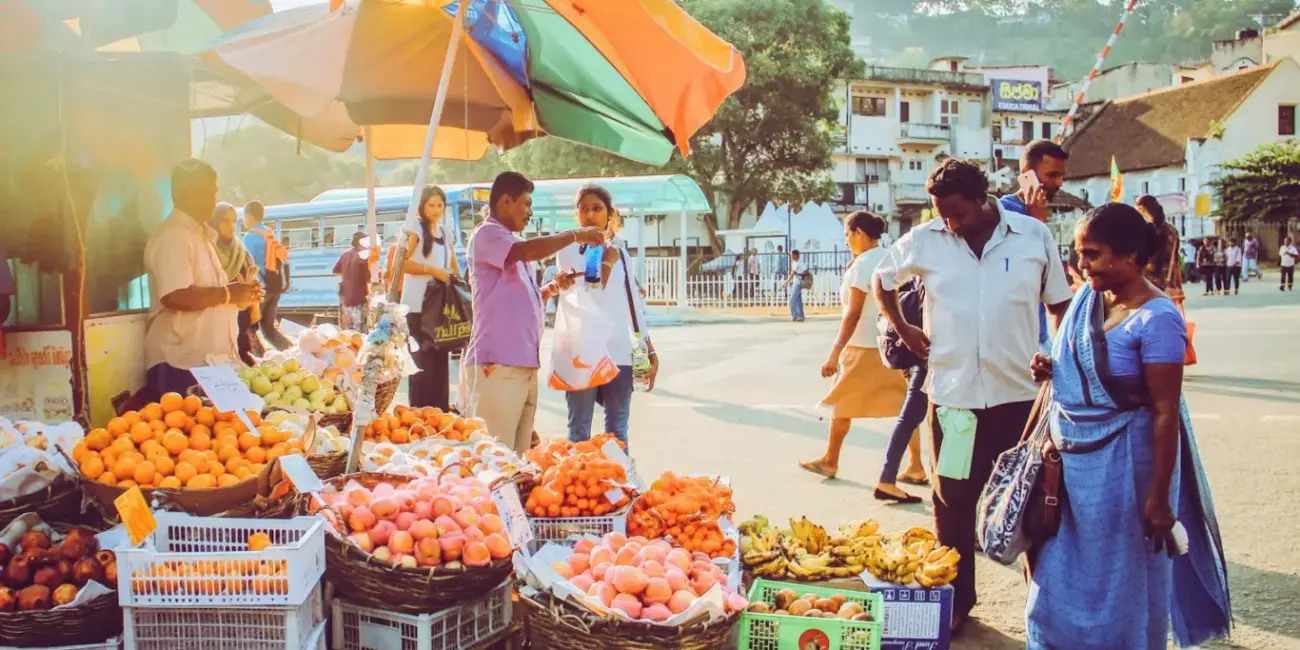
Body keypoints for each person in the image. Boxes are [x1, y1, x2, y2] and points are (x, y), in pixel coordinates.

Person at [873, 159, 1072, 633]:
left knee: (1029, 502)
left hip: (1021, 401)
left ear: (984, 198)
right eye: (941, 213)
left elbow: (1061, 304)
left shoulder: (1032, 237)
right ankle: (959, 601)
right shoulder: (926, 239)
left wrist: (1059, 358)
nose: (950, 223)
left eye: (958, 213)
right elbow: (881, 279)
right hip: (955, 401)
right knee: (953, 501)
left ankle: (1044, 607)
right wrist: (904, 327)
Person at [1025, 203, 1231, 650]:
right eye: (1080, 253)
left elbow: (1164, 412)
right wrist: (1055, 368)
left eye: (1093, 254)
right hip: (1073, 471)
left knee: (1123, 582)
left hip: (1129, 473)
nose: (1082, 265)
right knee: (1054, 579)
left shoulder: (1157, 319)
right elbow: (1080, 366)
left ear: (1132, 255)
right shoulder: (1088, 300)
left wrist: (1160, 499)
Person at [463, 172, 605, 453]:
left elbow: (518, 298)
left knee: (516, 458)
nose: (530, 213)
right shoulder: (488, 234)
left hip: (521, 363)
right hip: (498, 363)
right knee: (495, 457)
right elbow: (528, 251)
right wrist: (576, 235)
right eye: (526, 204)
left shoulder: (509, 242)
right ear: (506, 201)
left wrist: (552, 288)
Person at [799, 213, 910, 490]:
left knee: (841, 403)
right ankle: (917, 466)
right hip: (891, 344)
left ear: (859, 233)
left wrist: (835, 352)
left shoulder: (862, 266)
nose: (847, 241)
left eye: (848, 235)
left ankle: (830, 458)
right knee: (907, 405)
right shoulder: (891, 257)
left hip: (862, 344)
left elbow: (853, 313)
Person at [143, 160, 262, 399]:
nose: (212, 200)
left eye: (214, 192)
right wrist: (229, 293)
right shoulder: (174, 235)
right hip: (180, 364)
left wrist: (242, 297)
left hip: (209, 363)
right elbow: (175, 295)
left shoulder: (200, 235)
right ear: (180, 194)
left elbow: (208, 297)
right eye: (204, 192)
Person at [556, 185, 659, 446]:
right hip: (581, 350)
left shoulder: (620, 252)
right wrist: (606, 262)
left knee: (617, 432)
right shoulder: (567, 250)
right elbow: (591, 288)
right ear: (576, 214)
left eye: (596, 209)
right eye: (583, 209)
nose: (590, 215)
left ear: (609, 214)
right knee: (579, 431)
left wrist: (648, 347)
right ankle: (578, 484)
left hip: (618, 350)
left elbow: (632, 302)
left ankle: (619, 485)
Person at [999, 140, 1070, 354]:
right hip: (1011, 342)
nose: (1059, 183)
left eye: (1061, 176)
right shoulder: (1002, 213)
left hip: (1039, 337)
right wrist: (1035, 224)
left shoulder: (1035, 214)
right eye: (1052, 175)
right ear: (1026, 175)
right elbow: (1010, 271)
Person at [400, 186, 461, 410]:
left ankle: (439, 415)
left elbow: (453, 267)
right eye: (431, 205)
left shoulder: (446, 233)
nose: (436, 210)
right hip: (416, 309)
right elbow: (402, 265)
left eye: (439, 205)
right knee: (421, 367)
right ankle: (418, 415)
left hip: (441, 309)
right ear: (422, 207)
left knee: (440, 365)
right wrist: (433, 271)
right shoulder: (414, 230)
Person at [211, 202, 263, 366]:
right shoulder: (206, 252)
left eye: (233, 221)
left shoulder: (242, 253)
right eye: (224, 221)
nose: (231, 226)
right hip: (213, 330)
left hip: (240, 329)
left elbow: (252, 288)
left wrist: (253, 297)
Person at [241, 200, 292, 350]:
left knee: (249, 327)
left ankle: (255, 360)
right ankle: (292, 351)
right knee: (268, 328)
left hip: (260, 289)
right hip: (275, 286)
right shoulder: (270, 234)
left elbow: (248, 265)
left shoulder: (250, 237)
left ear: (249, 216)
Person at [1135, 195, 1183, 296]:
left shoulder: (1142, 229)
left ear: (1142, 209)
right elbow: (1175, 262)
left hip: (1146, 285)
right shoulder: (1172, 231)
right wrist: (1178, 286)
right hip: (1168, 285)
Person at [333, 232, 375, 331]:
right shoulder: (364, 255)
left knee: (347, 332)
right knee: (359, 332)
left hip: (345, 299)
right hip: (360, 298)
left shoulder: (345, 254)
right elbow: (369, 278)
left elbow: (336, 271)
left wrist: (348, 274)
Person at [784, 250, 808, 322]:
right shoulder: (794, 263)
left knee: (792, 300)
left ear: (796, 255)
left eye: (792, 255)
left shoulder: (800, 263)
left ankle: (795, 315)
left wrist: (786, 282)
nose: (791, 257)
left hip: (798, 283)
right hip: (795, 282)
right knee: (798, 300)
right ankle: (800, 316)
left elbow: (806, 273)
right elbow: (792, 274)